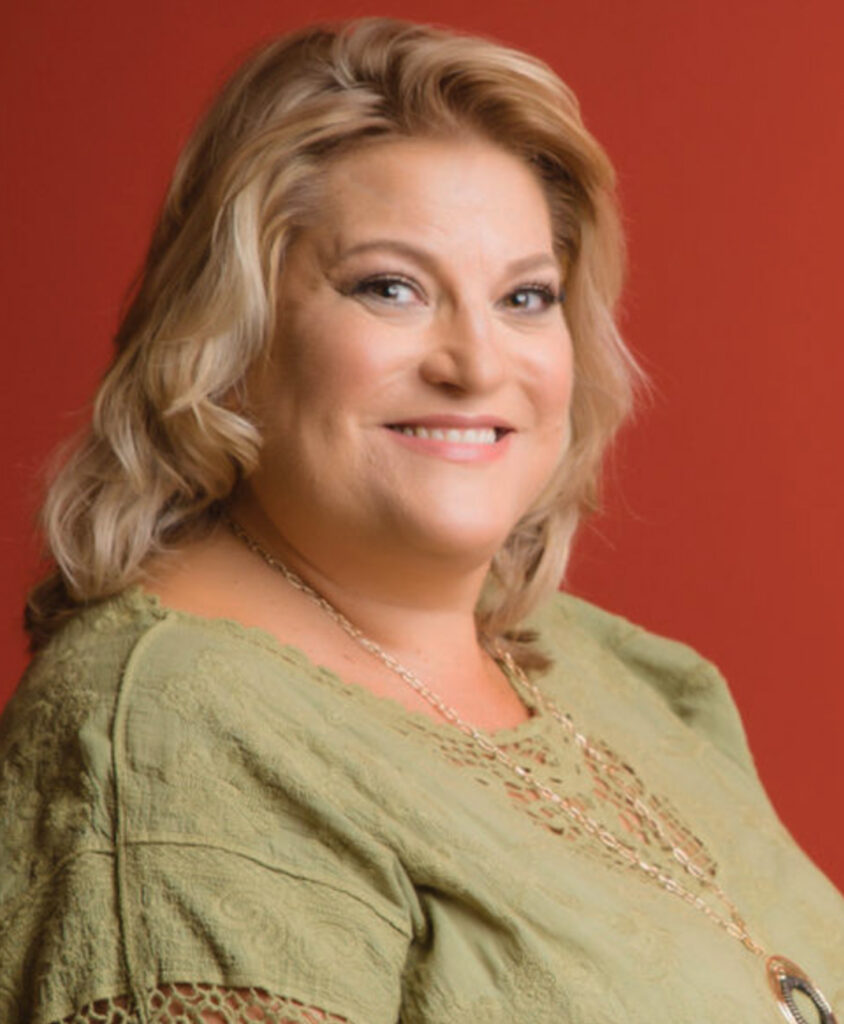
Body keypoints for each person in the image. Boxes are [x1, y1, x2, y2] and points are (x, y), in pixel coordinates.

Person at [1, 16, 841, 1024]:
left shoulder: (621, 674)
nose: (477, 364)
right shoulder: (171, 739)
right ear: (233, 329)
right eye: (390, 288)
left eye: (525, 297)